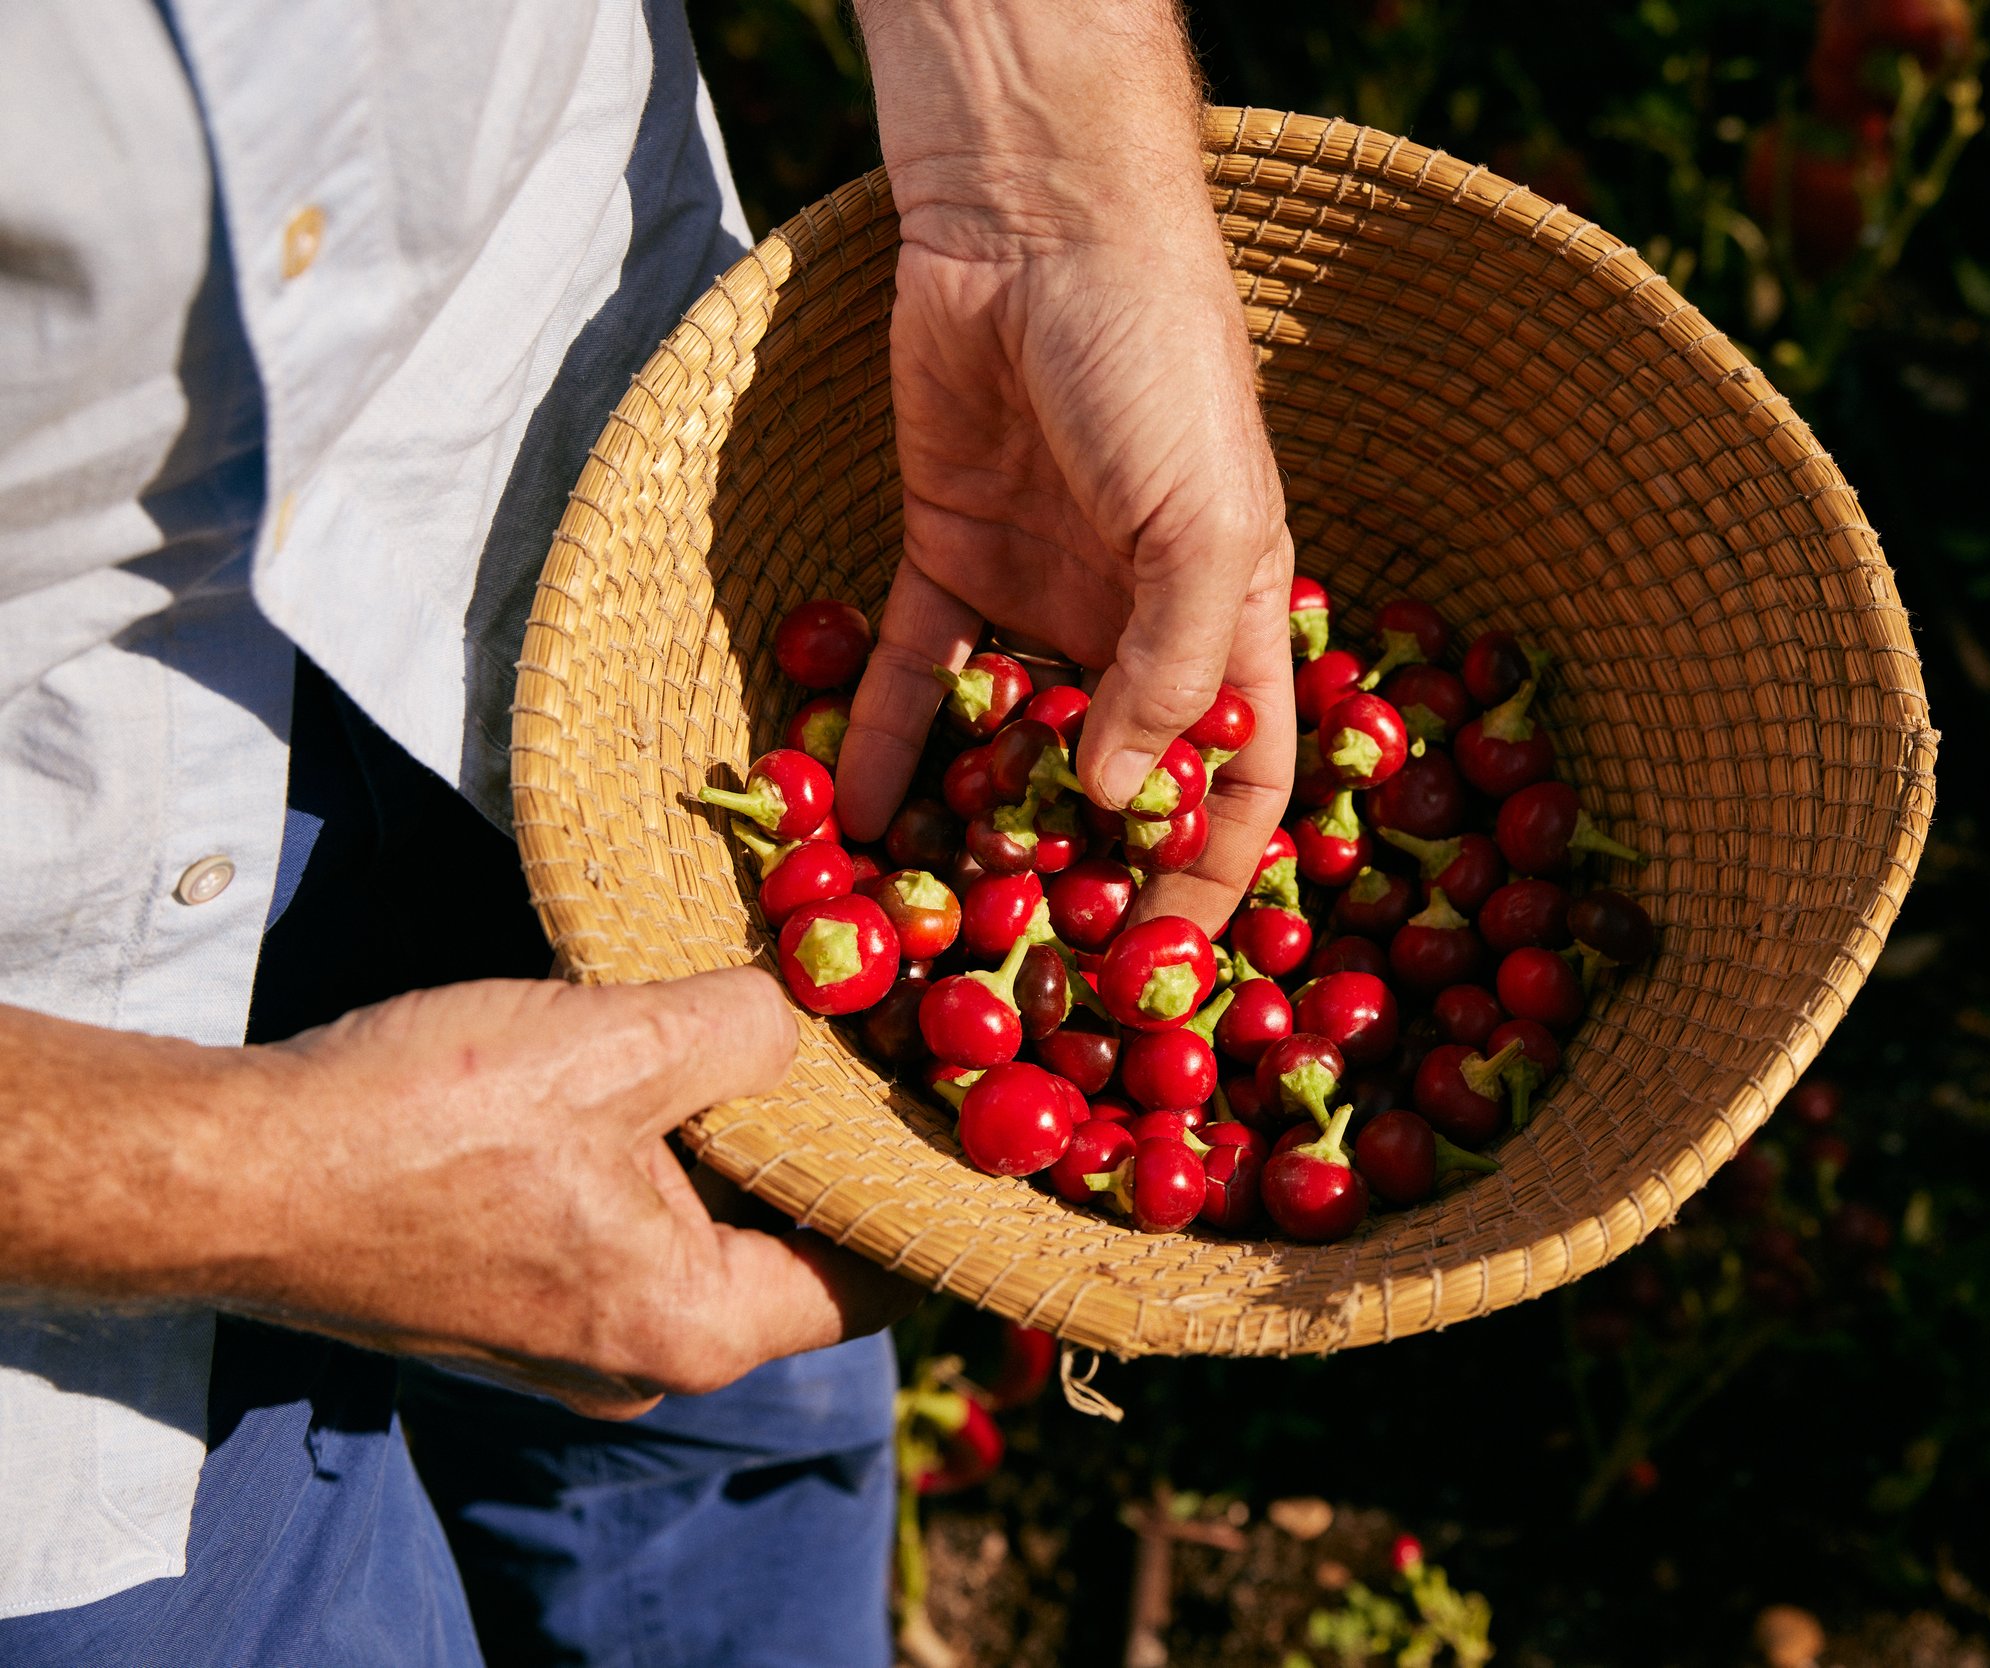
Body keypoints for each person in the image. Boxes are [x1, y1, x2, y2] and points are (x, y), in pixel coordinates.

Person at [0, 0, 1294, 1663]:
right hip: (53, 1189)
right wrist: (241, 1181)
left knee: (722, 1499)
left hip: (561, 446)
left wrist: (1049, 167)